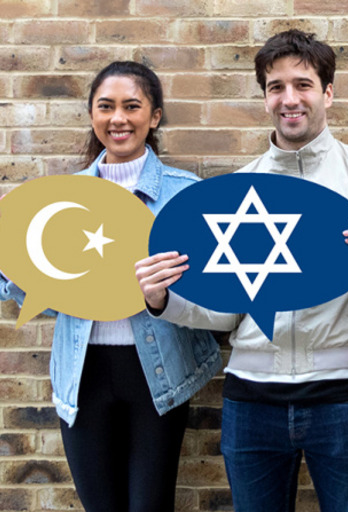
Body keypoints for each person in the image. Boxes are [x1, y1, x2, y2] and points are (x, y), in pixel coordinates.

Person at [134, 30, 348, 512]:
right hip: (251, 399)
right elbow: (225, 313)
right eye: (275, 87)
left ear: (328, 91)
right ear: (264, 97)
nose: (290, 99)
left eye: (303, 85)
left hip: (344, 395)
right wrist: (163, 300)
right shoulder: (237, 191)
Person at [0, 61, 221, 512]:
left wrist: (162, 295)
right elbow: (42, 299)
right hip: (84, 373)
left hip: (158, 372)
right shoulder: (58, 201)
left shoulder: (187, 196)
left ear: (154, 116)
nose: (118, 118)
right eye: (105, 106)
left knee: (149, 506)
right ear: (91, 114)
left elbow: (211, 296)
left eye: (131, 106)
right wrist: (9, 254)